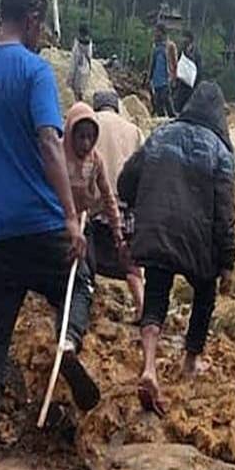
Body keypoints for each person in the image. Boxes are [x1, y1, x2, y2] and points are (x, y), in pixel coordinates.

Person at [0, 0, 100, 463]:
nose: (43, 32)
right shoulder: (33, 72)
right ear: (31, 19)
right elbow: (50, 143)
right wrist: (72, 219)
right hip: (42, 224)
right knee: (82, 283)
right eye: (43, 23)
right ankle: (67, 342)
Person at [118, 82, 235, 417]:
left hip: (157, 229)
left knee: (156, 294)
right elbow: (226, 211)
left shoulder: (160, 135)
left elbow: (126, 178)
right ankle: (190, 360)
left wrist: (135, 215)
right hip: (198, 240)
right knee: (204, 294)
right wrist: (227, 262)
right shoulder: (221, 152)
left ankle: (150, 366)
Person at [63, 102, 145, 319]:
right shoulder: (133, 130)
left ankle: (80, 308)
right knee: (131, 267)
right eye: (82, 138)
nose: (87, 143)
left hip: (95, 214)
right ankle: (141, 308)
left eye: (90, 138)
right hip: (123, 208)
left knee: (88, 264)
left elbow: (105, 194)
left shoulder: (88, 148)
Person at [146, 22, 178, 117]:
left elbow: (174, 63)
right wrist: (149, 77)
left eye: (157, 32)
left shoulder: (170, 46)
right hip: (157, 80)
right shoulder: (156, 47)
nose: (155, 34)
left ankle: (172, 117)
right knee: (158, 101)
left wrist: (174, 78)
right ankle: (161, 118)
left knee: (166, 99)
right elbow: (152, 63)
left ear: (162, 33)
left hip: (166, 79)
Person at [173, 28, 202, 113]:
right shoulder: (182, 51)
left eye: (185, 38)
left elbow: (199, 69)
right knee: (179, 105)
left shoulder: (196, 53)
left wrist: (196, 83)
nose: (183, 40)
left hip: (192, 86)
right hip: (182, 84)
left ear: (190, 39)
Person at [69, 24, 93, 103]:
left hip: (78, 68)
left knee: (76, 90)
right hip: (85, 67)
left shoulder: (77, 44)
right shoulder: (89, 43)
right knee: (81, 90)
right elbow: (89, 56)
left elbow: (74, 60)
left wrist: (70, 78)